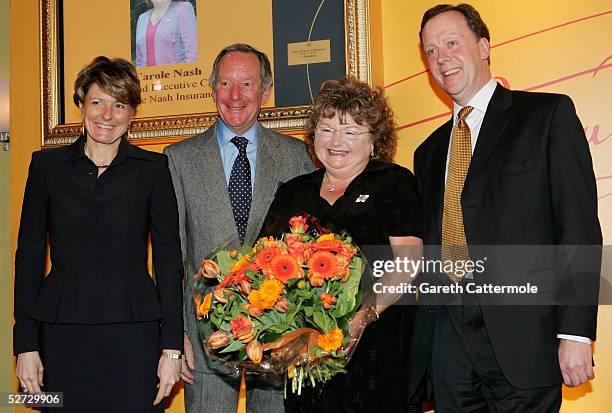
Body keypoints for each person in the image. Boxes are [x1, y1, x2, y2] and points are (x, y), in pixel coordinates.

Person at [407, 4, 602, 412]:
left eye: (451, 43)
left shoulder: (547, 116)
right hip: (449, 345)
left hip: (525, 337)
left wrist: (576, 333)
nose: (440, 57)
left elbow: (578, 227)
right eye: (430, 51)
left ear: (483, 46)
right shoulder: (427, 153)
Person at [14, 56, 184, 412]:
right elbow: (28, 260)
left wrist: (171, 349)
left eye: (119, 104)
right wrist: (25, 346)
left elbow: (169, 264)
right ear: (81, 104)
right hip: (62, 335)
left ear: (132, 113)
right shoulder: (46, 167)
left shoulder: (153, 169)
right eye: (97, 102)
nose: (107, 115)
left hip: (135, 337)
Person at [163, 43, 313, 413]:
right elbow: (172, 258)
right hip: (203, 338)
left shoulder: (296, 156)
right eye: (225, 83)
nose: (235, 95)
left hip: (280, 332)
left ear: (265, 91)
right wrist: (175, 335)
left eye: (247, 84)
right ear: (213, 88)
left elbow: (307, 249)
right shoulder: (178, 159)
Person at [259, 76, 424, 412]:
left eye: (350, 131)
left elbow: (408, 262)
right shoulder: (293, 191)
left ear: (374, 141)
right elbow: (263, 262)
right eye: (326, 128)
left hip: (376, 348)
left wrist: (364, 315)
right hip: (307, 355)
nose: (336, 141)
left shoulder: (393, 182)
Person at [135, 0, 197, 67]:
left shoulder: (183, 8)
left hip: (175, 75)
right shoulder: (142, 18)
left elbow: (193, 51)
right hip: (147, 76)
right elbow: (139, 58)